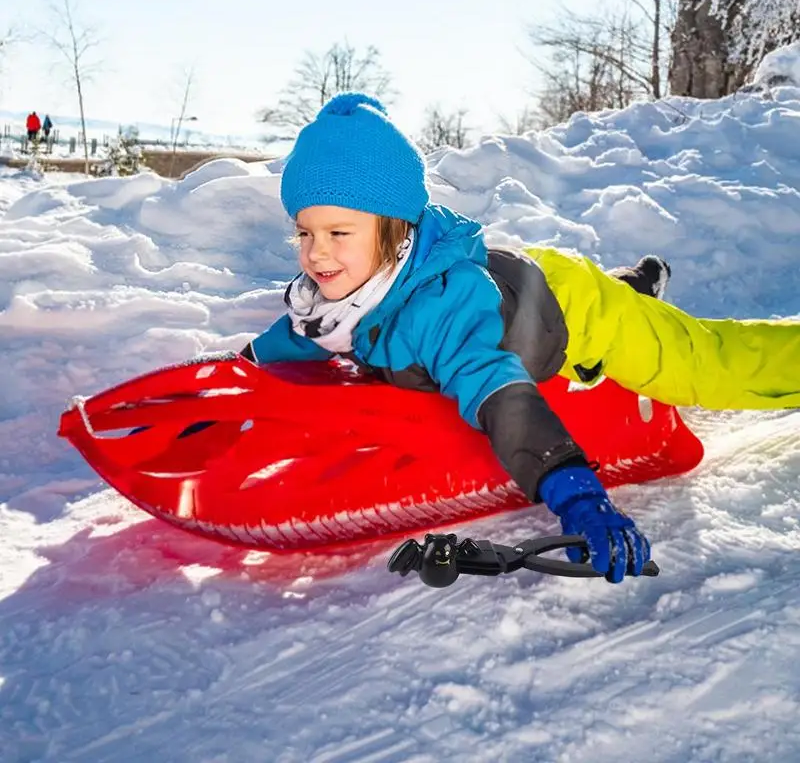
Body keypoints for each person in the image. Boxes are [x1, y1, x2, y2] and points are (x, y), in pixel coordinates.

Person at [241, 92, 800, 584]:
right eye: (305, 232)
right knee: (555, 316)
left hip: (579, 312)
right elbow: (286, 343)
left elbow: (501, 394)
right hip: (521, 288)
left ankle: (640, 299)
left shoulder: (439, 308)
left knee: (704, 366)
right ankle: (635, 285)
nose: (317, 252)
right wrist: (223, 383)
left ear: (394, 231)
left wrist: (576, 493)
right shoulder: (334, 298)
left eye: (338, 232)